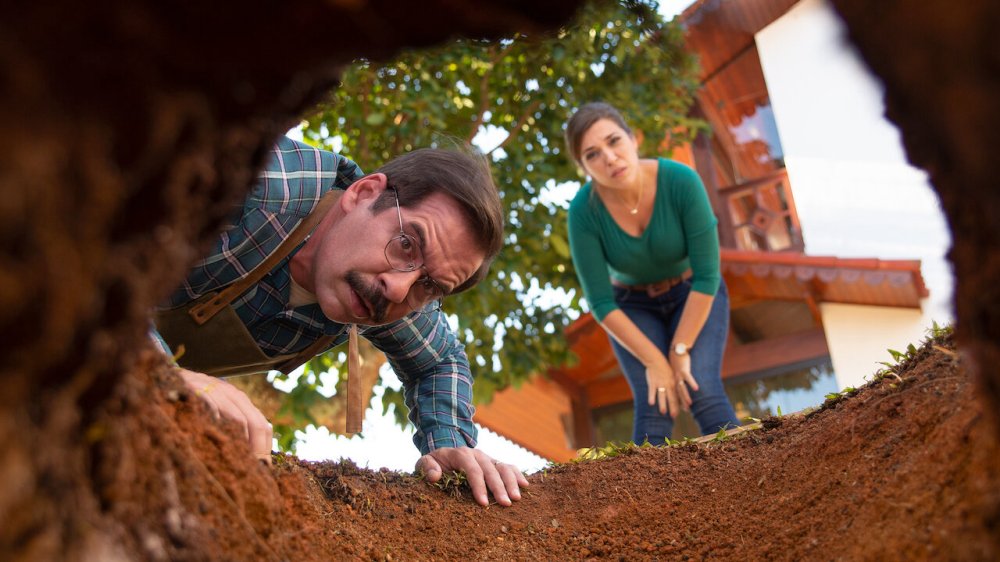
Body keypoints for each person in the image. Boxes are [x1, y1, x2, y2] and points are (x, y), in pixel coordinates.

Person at [151, 134, 528, 507]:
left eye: (429, 284)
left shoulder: (389, 291)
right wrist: (156, 371)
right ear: (363, 194)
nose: (397, 290)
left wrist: (450, 443)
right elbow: (92, 241)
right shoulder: (255, 180)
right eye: (407, 244)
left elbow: (440, 361)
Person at [564, 102, 740, 445]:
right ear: (583, 167)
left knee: (698, 387)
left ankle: (752, 483)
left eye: (614, 142)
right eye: (593, 155)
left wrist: (678, 351)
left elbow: (707, 275)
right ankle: (642, 501)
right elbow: (601, 302)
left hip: (694, 292)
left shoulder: (681, 181)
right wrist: (655, 362)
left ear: (633, 139)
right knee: (653, 401)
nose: (610, 158)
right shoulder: (583, 211)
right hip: (632, 306)